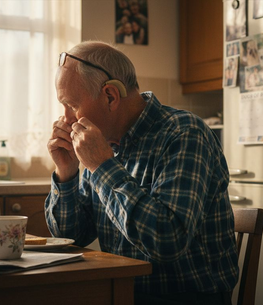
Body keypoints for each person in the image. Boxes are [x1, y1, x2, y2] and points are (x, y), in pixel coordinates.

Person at [46, 41, 238, 305]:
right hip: (122, 293)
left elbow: (166, 241)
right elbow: (72, 237)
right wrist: (66, 174)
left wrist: (103, 166)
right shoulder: (101, 144)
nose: (65, 119)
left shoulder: (184, 133)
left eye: (71, 105)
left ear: (110, 96)